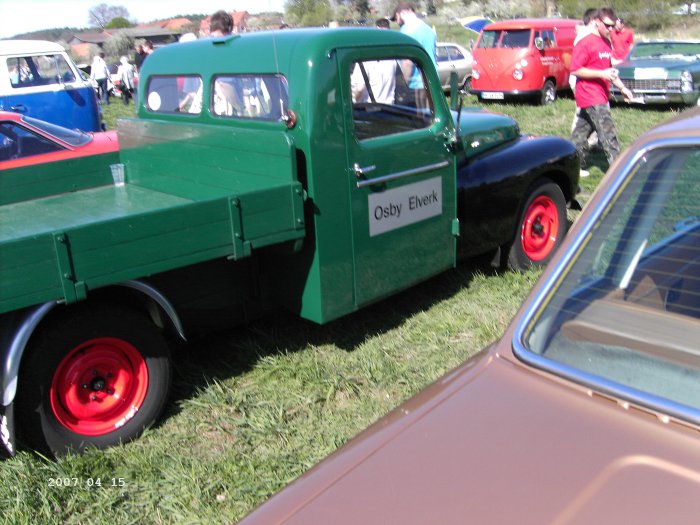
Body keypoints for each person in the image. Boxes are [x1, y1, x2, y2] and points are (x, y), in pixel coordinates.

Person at [570, 7, 634, 175]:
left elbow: (609, 71)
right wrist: (601, 74)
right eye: (607, 25)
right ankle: (619, 173)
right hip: (590, 95)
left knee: (579, 137)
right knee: (608, 133)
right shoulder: (585, 42)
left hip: (600, 95)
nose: (611, 29)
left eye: (613, 26)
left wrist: (622, 88)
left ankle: (569, 168)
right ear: (596, 22)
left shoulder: (606, 43)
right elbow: (575, 69)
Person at [391, 2, 437, 110]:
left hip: (415, 85)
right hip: (430, 82)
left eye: (396, 18)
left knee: (418, 121)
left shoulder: (407, 31)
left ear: (400, 14)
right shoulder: (427, 29)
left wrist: (403, 87)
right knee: (430, 117)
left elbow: (407, 62)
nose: (397, 23)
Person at [350, 18, 397, 104]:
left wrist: (353, 100)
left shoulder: (365, 60)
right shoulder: (393, 58)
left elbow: (360, 88)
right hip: (390, 107)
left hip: (369, 110)